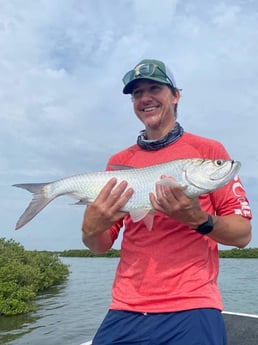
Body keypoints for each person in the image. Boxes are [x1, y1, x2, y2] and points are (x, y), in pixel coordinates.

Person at [81, 59, 252, 345]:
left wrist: (198, 219)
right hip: (126, 306)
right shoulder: (119, 163)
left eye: (154, 88)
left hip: (193, 303)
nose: (145, 98)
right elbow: (99, 247)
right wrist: (89, 229)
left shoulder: (209, 152)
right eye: (137, 93)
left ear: (175, 95)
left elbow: (243, 235)